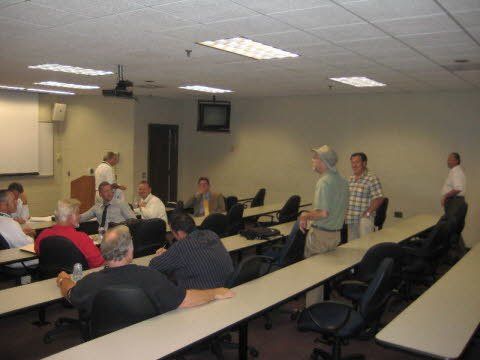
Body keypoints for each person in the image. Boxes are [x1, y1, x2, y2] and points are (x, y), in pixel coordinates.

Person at [56, 225, 234, 320]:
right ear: (130, 250)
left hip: (105, 345)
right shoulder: (150, 277)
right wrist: (215, 292)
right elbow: (185, 299)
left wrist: (63, 279)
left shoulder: (90, 281)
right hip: (148, 340)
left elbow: (70, 293)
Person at [296, 145, 349, 306]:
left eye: (315, 158)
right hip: (335, 234)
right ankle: (321, 306)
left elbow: (323, 213)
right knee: (324, 273)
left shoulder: (324, 182)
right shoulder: (342, 180)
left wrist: (305, 215)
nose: (312, 161)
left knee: (313, 276)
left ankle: (311, 311)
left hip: (321, 236)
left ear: (323, 162)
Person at [149, 213, 234, 289]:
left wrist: (163, 255)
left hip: (204, 294)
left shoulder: (181, 246)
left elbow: (154, 266)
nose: (173, 236)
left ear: (180, 233)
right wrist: (170, 253)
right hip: (228, 285)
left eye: (173, 233)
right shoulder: (212, 234)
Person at [35, 199, 104, 269]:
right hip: (78, 278)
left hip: (50, 277)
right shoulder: (81, 238)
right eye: (78, 213)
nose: (79, 216)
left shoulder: (43, 234)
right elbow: (98, 264)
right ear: (72, 216)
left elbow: (38, 252)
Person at [345, 152, 384, 240]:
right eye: (352, 162)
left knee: (365, 246)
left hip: (364, 220)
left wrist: (367, 213)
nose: (354, 165)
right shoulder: (350, 179)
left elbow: (379, 198)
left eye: (357, 162)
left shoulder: (371, 178)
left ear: (364, 163)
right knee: (352, 247)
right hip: (351, 219)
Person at [0, 189, 37, 267]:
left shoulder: (5, 221)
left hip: (5, 259)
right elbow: (29, 245)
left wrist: (21, 233)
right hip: (17, 260)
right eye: (13, 200)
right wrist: (31, 235)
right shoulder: (11, 224)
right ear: (3, 205)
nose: (17, 203)